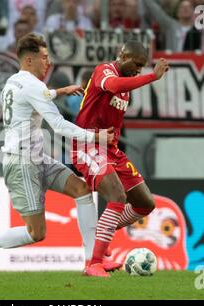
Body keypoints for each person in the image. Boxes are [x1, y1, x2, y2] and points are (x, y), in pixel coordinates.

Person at [0, 33, 118, 277]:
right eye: (44, 58)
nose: (48, 63)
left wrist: (60, 91)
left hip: (37, 157)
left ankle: (92, 261)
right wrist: (96, 137)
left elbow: (33, 96)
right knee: (36, 233)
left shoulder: (14, 81)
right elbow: (58, 125)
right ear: (29, 60)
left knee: (82, 190)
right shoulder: (34, 85)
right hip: (21, 162)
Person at [72, 40, 169, 277]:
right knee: (116, 196)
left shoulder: (127, 86)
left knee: (145, 203)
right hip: (88, 145)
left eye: (142, 67)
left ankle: (100, 237)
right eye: (136, 64)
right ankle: (93, 263)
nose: (138, 70)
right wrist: (152, 78)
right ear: (122, 56)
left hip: (112, 150)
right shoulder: (104, 71)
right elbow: (112, 85)